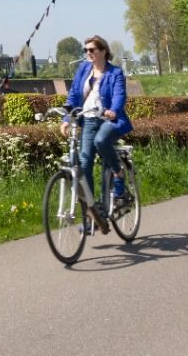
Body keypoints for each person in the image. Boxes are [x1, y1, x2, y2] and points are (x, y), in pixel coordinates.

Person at [61, 34, 132, 233]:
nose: (88, 53)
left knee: (101, 141)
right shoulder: (83, 69)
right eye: (86, 50)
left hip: (109, 120)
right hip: (89, 120)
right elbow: (74, 95)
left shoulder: (115, 73)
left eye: (92, 50)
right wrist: (67, 119)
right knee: (84, 166)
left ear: (103, 51)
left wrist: (113, 110)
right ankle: (93, 214)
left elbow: (119, 95)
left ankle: (118, 173)